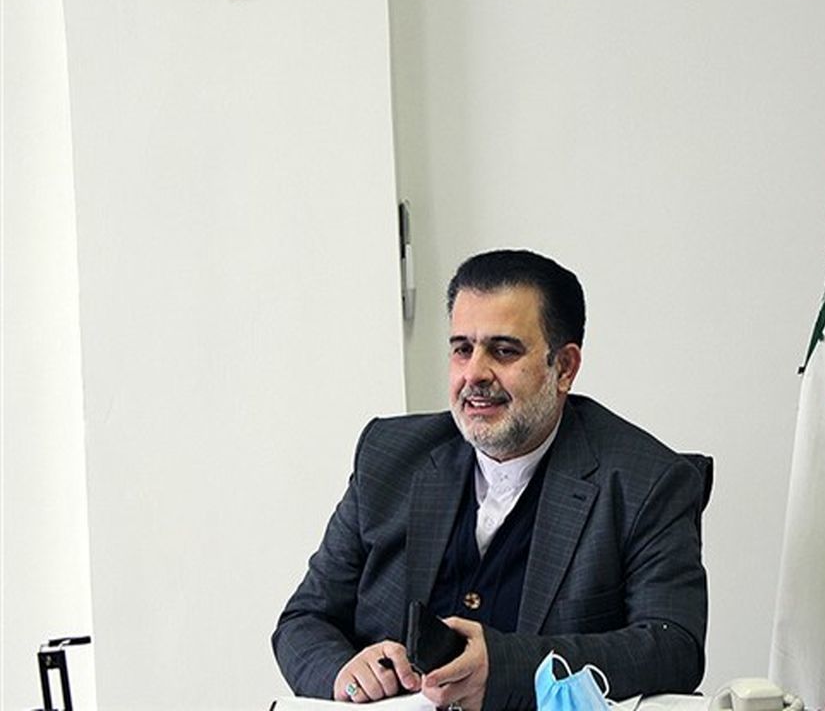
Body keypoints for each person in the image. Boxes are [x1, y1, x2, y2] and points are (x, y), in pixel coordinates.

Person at [272, 249, 708, 709]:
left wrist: (507, 668)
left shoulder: (647, 482)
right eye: (462, 349)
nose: (475, 374)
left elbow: (674, 648)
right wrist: (343, 672)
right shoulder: (389, 456)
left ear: (563, 368)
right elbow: (305, 619)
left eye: (503, 351)